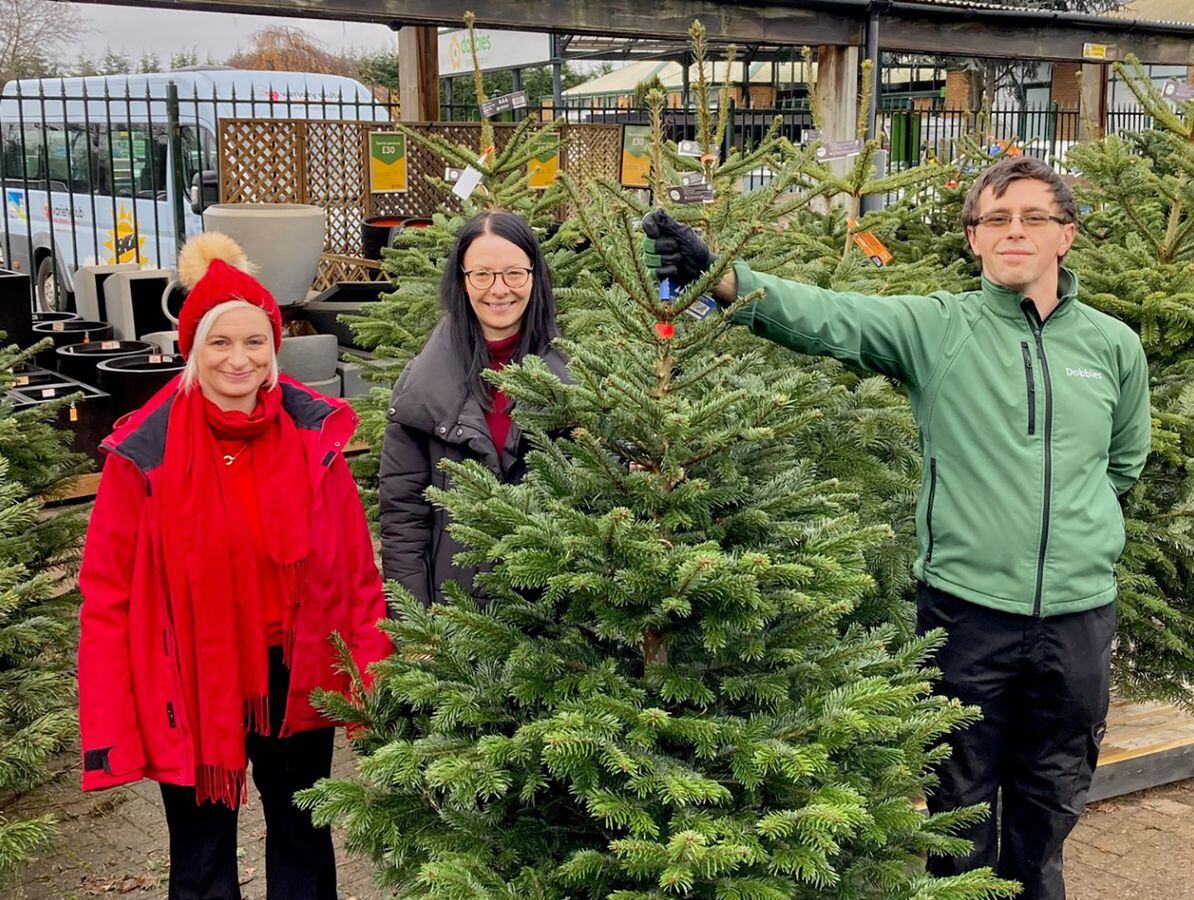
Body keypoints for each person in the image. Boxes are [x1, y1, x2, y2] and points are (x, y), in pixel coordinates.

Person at [642, 155, 1150, 899]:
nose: (1015, 232)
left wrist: (1076, 532)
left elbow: (1123, 464)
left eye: (1034, 217)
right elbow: (824, 315)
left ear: (1065, 236)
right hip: (968, 615)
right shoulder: (937, 329)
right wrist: (721, 276)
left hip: (1078, 620)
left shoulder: (1112, 347)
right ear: (973, 239)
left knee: (1051, 807)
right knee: (957, 812)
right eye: (995, 219)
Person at [78, 232, 393, 900]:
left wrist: (370, 672)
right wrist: (110, 717)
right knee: (199, 855)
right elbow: (106, 597)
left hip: (293, 670)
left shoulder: (314, 439)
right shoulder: (145, 452)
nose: (239, 359)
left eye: (254, 342)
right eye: (219, 342)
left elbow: (357, 571)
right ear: (191, 350)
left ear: (274, 348)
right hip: (189, 677)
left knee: (304, 836)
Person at [379, 209, 566, 606]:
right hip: (454, 618)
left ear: (534, 277)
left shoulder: (571, 382)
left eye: (514, 273)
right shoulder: (421, 390)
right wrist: (417, 628)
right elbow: (404, 519)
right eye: (482, 274)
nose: (499, 289)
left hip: (553, 623)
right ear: (462, 282)